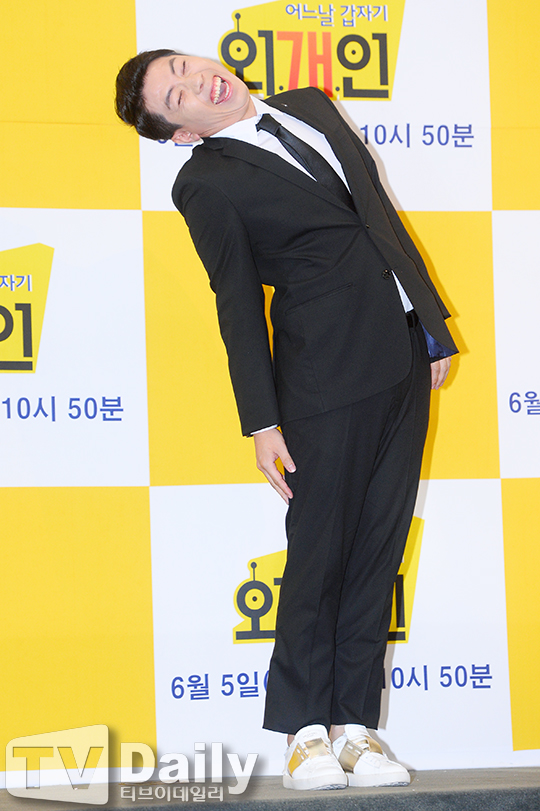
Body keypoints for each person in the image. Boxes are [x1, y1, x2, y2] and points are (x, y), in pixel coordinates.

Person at [115, 50, 457, 791]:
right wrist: (261, 422)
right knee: (318, 553)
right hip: (321, 378)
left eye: (184, 65)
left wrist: (430, 325)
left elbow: (377, 215)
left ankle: (355, 730)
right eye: (177, 94)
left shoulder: (310, 103)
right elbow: (237, 302)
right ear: (182, 132)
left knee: (378, 548)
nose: (197, 80)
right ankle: (304, 733)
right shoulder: (202, 183)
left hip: (402, 354)